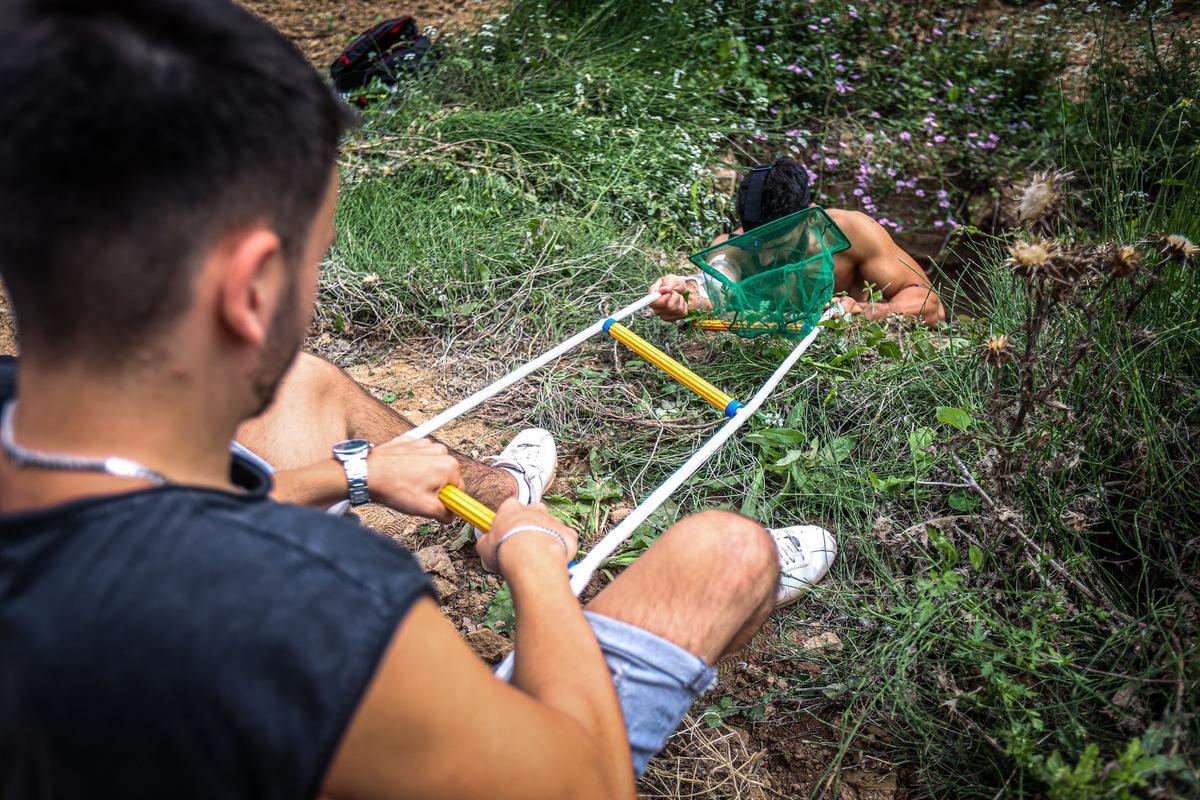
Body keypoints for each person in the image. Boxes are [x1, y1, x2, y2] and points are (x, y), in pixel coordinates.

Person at [0, 3, 836, 799]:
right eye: (316, 257)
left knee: (304, 382)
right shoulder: (311, 598)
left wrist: (348, 473)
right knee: (727, 553)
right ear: (251, 287)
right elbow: (586, 786)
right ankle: (542, 526)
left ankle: (498, 484)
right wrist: (537, 564)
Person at [650, 156, 946, 327]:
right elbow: (711, 288)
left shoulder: (854, 232)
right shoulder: (733, 247)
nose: (765, 256)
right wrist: (681, 296)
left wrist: (864, 311)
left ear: (808, 217)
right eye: (757, 241)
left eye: (777, 242)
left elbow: (931, 305)